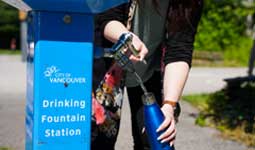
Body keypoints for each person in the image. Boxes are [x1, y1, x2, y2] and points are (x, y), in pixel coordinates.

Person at [93, 0, 203, 149]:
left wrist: (169, 106)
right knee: (99, 141)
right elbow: (106, 19)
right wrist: (125, 37)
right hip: (107, 66)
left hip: (149, 70)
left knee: (155, 140)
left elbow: (180, 50)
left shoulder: (187, 4)